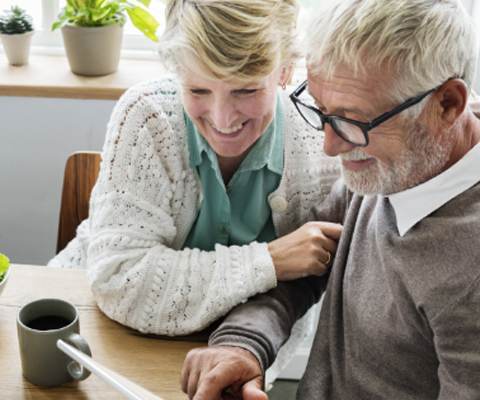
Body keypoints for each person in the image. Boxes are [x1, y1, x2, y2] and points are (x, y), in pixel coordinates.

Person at [180, 0, 480, 398]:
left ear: (448, 104)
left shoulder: (469, 273)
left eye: (351, 121)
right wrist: (242, 345)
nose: (330, 146)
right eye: (320, 110)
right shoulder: (396, 166)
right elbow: (301, 273)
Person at [48, 0, 342, 382]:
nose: (222, 120)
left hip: (238, 352)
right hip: (98, 330)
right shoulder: (147, 115)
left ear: (285, 69)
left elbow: (306, 287)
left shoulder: (324, 143)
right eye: (198, 89)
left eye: (245, 90)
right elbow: (119, 280)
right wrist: (268, 260)